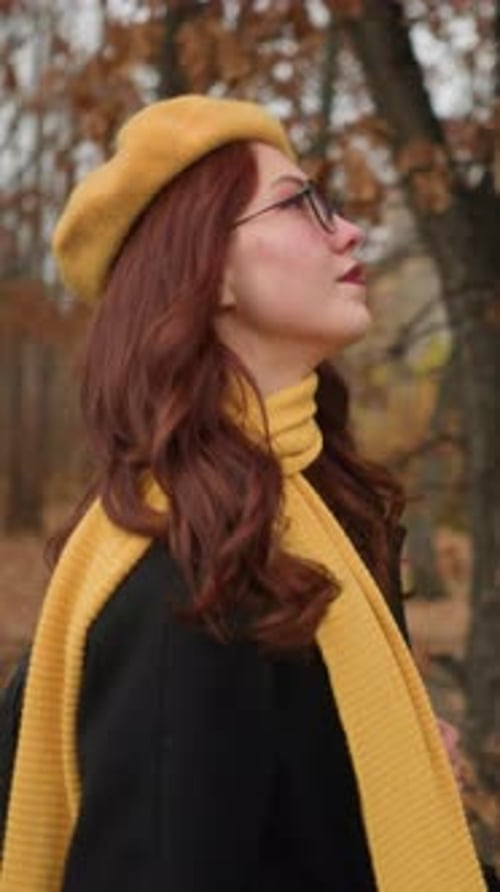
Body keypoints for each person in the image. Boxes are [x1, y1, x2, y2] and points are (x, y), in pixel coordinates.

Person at [0, 94, 497, 892]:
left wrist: (376, 758)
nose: (348, 230)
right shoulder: (179, 577)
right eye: (300, 205)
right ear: (209, 271)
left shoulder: (322, 507)